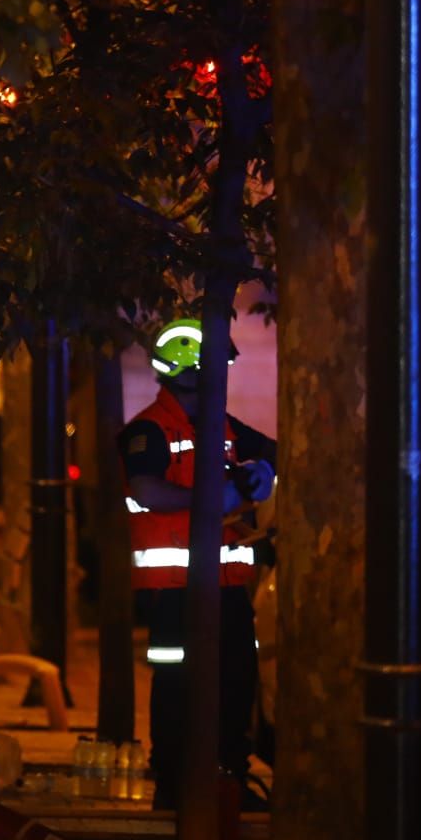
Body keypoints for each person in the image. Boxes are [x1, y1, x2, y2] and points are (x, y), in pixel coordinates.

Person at [118, 316, 277, 811]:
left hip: (226, 585)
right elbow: (146, 488)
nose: (222, 377)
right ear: (190, 371)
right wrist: (211, 496)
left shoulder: (220, 425)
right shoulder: (147, 430)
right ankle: (173, 782)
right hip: (173, 590)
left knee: (236, 678)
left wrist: (260, 472)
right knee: (175, 686)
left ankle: (229, 777)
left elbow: (272, 450)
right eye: (215, 367)